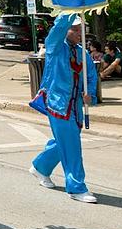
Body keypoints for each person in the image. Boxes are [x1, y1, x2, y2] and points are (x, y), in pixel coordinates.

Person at [29, 14, 99, 203]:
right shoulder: (55, 47)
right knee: (72, 145)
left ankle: (40, 167)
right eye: (74, 29)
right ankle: (76, 187)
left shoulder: (82, 53)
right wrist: (70, 9)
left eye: (80, 30)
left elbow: (91, 76)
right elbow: (58, 29)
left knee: (65, 141)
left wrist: (89, 94)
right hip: (58, 103)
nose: (78, 33)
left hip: (75, 106)